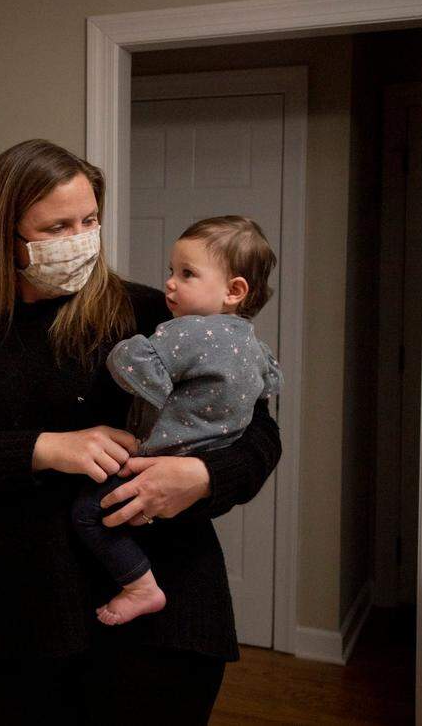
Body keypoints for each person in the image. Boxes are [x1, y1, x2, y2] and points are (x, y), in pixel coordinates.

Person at [0, 139, 281, 725]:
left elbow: (258, 435)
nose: (80, 237)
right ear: (4, 235)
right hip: (26, 625)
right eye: (56, 227)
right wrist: (46, 448)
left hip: (166, 620)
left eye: (90, 220)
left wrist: (199, 477)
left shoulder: (154, 314)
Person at [72, 216, 282, 627]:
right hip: (202, 473)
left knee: (89, 513)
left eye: (186, 274)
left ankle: (140, 586)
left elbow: (131, 366)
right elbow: (268, 388)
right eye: (172, 271)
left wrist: (126, 349)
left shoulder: (183, 332)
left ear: (235, 290)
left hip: (157, 460)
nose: (170, 283)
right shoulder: (254, 345)